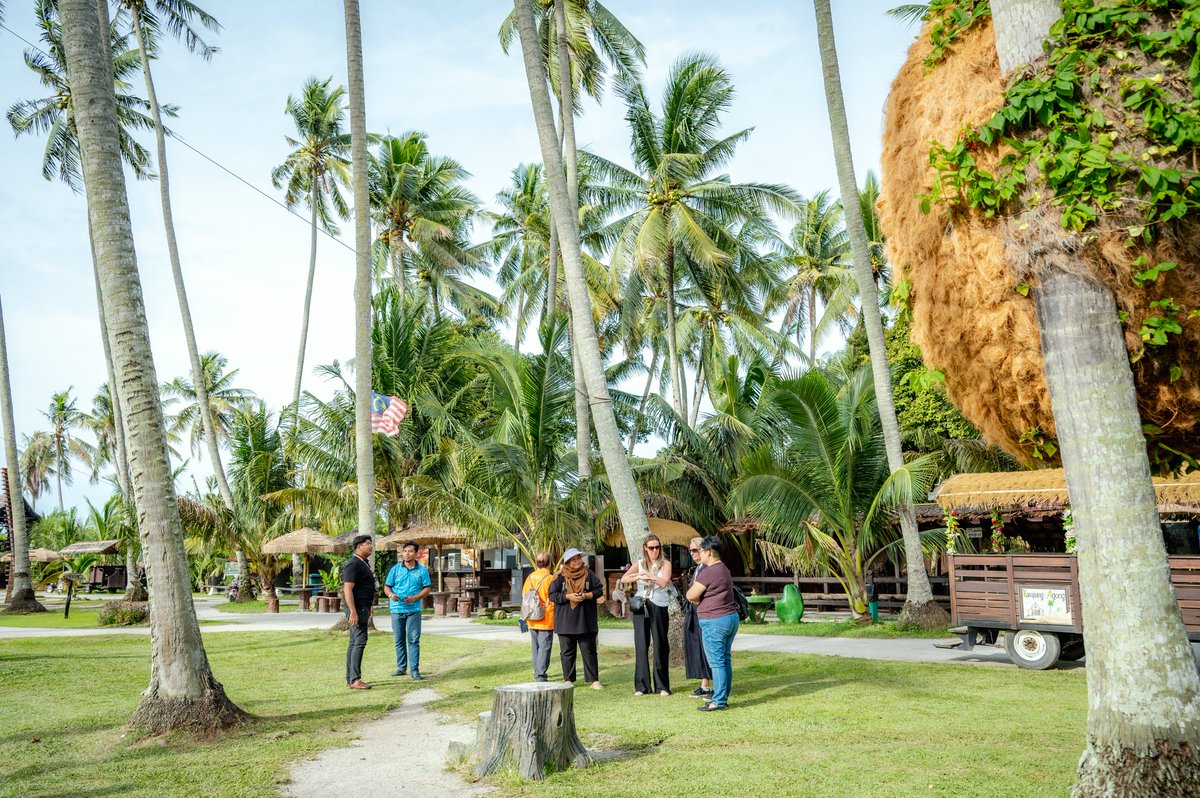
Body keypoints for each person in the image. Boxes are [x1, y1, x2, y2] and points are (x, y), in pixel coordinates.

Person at [686, 536, 738, 711]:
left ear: (709, 552)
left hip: (714, 620)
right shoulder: (724, 569)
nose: (699, 554)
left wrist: (696, 599)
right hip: (729, 617)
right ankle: (722, 697)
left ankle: (719, 701)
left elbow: (690, 594)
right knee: (724, 660)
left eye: (700, 551)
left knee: (716, 662)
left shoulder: (709, 572)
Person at [620, 533, 673, 696]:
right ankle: (642, 686)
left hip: (659, 604)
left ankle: (662, 686)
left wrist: (649, 575)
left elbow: (664, 582)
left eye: (657, 547)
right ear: (645, 548)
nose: (654, 550)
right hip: (641, 604)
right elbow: (624, 578)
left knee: (660, 644)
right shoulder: (640, 563)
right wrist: (638, 575)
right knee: (641, 644)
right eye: (651, 548)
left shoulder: (665, 564)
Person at [548, 547, 604, 690]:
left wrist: (586, 596)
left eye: (578, 558)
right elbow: (552, 595)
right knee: (567, 652)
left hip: (585, 620)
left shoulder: (589, 573)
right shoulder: (559, 576)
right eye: (573, 559)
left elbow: (599, 590)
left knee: (589, 651)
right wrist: (568, 596)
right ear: (567, 562)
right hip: (565, 621)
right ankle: (568, 679)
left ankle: (594, 680)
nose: (577, 561)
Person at [384, 541, 432, 681]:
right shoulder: (395, 569)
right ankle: (401, 668)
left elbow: (427, 588)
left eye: (410, 551)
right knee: (399, 640)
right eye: (405, 551)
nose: (407, 554)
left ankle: (414, 671)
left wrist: (415, 598)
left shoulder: (422, 570)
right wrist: (391, 595)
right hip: (396, 610)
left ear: (416, 553)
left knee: (413, 640)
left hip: (414, 610)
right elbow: (387, 587)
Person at [342, 534, 376, 690]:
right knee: (360, 641)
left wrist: (370, 605)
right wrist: (353, 611)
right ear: (358, 547)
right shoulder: (353, 563)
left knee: (354, 642)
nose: (371, 546)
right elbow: (347, 589)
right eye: (368, 543)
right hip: (357, 607)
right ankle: (355, 679)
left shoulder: (363, 562)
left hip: (363, 606)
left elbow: (365, 587)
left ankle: (350, 678)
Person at [682, 536, 713, 699]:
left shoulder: (708, 568)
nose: (693, 553)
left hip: (704, 612)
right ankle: (704, 685)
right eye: (690, 550)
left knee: (708, 649)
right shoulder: (699, 568)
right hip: (694, 612)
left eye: (695, 550)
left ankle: (715, 686)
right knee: (699, 648)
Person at [520, 552, 556, 681]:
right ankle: (540, 675)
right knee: (545, 646)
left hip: (531, 616)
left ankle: (537, 672)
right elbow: (553, 598)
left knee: (535, 646)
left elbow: (524, 596)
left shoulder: (530, 577)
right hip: (546, 617)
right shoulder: (550, 578)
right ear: (549, 563)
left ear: (536, 563)